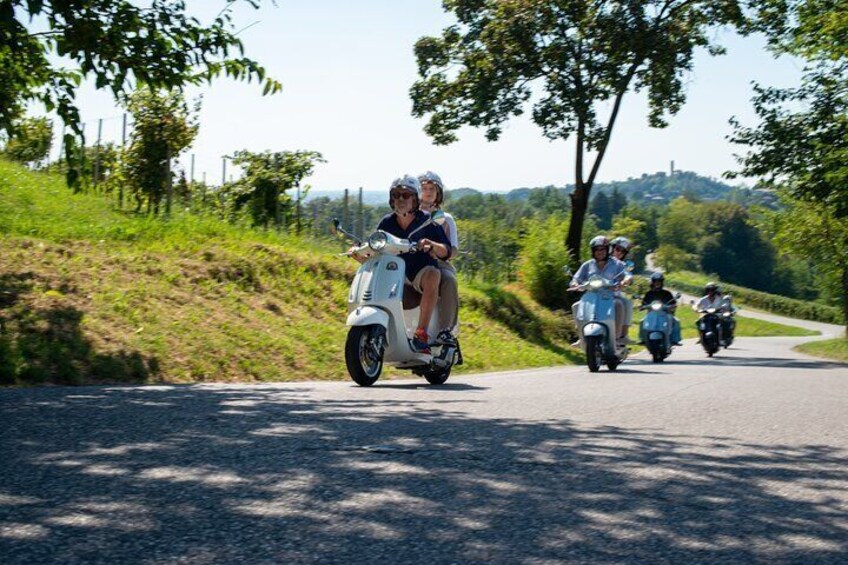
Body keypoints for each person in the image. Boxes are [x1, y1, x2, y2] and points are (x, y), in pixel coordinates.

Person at [352, 175, 450, 353]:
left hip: (419, 273)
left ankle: (421, 333)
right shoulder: (386, 222)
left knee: (434, 275)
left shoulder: (428, 220)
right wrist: (360, 251)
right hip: (394, 275)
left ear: (415, 198)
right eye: (396, 195)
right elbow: (375, 244)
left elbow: (446, 250)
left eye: (406, 195)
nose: (400, 199)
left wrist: (431, 244)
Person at [418, 170, 459, 345]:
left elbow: (454, 250)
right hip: (414, 261)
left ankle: (445, 331)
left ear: (438, 194)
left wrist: (436, 249)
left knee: (449, 280)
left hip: (439, 263)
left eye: (432, 189)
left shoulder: (446, 219)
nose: (427, 192)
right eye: (424, 188)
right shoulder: (410, 216)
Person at [569, 235, 632, 345]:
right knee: (576, 306)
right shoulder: (588, 265)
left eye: (602, 249)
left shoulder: (617, 264)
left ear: (608, 250)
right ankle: (582, 337)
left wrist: (625, 281)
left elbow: (627, 275)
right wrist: (575, 284)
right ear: (593, 251)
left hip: (611, 295)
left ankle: (617, 338)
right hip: (591, 296)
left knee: (619, 304)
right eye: (596, 249)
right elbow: (576, 278)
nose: (600, 252)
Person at [640, 272, 682, 345]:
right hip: (651, 314)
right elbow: (644, 303)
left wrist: (672, 307)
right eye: (655, 281)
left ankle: (675, 340)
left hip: (665, 313)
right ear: (652, 282)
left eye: (659, 281)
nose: (657, 283)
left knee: (676, 321)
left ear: (662, 282)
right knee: (642, 321)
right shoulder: (649, 293)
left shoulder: (667, 293)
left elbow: (673, 303)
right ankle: (643, 339)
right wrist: (642, 307)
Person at [610, 236, 635, 343]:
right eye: (618, 249)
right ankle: (581, 335)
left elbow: (628, 275)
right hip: (597, 293)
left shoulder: (622, 265)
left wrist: (626, 280)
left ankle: (623, 335)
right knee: (581, 303)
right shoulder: (599, 262)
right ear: (612, 248)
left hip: (615, 295)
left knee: (627, 303)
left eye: (623, 251)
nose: (620, 252)